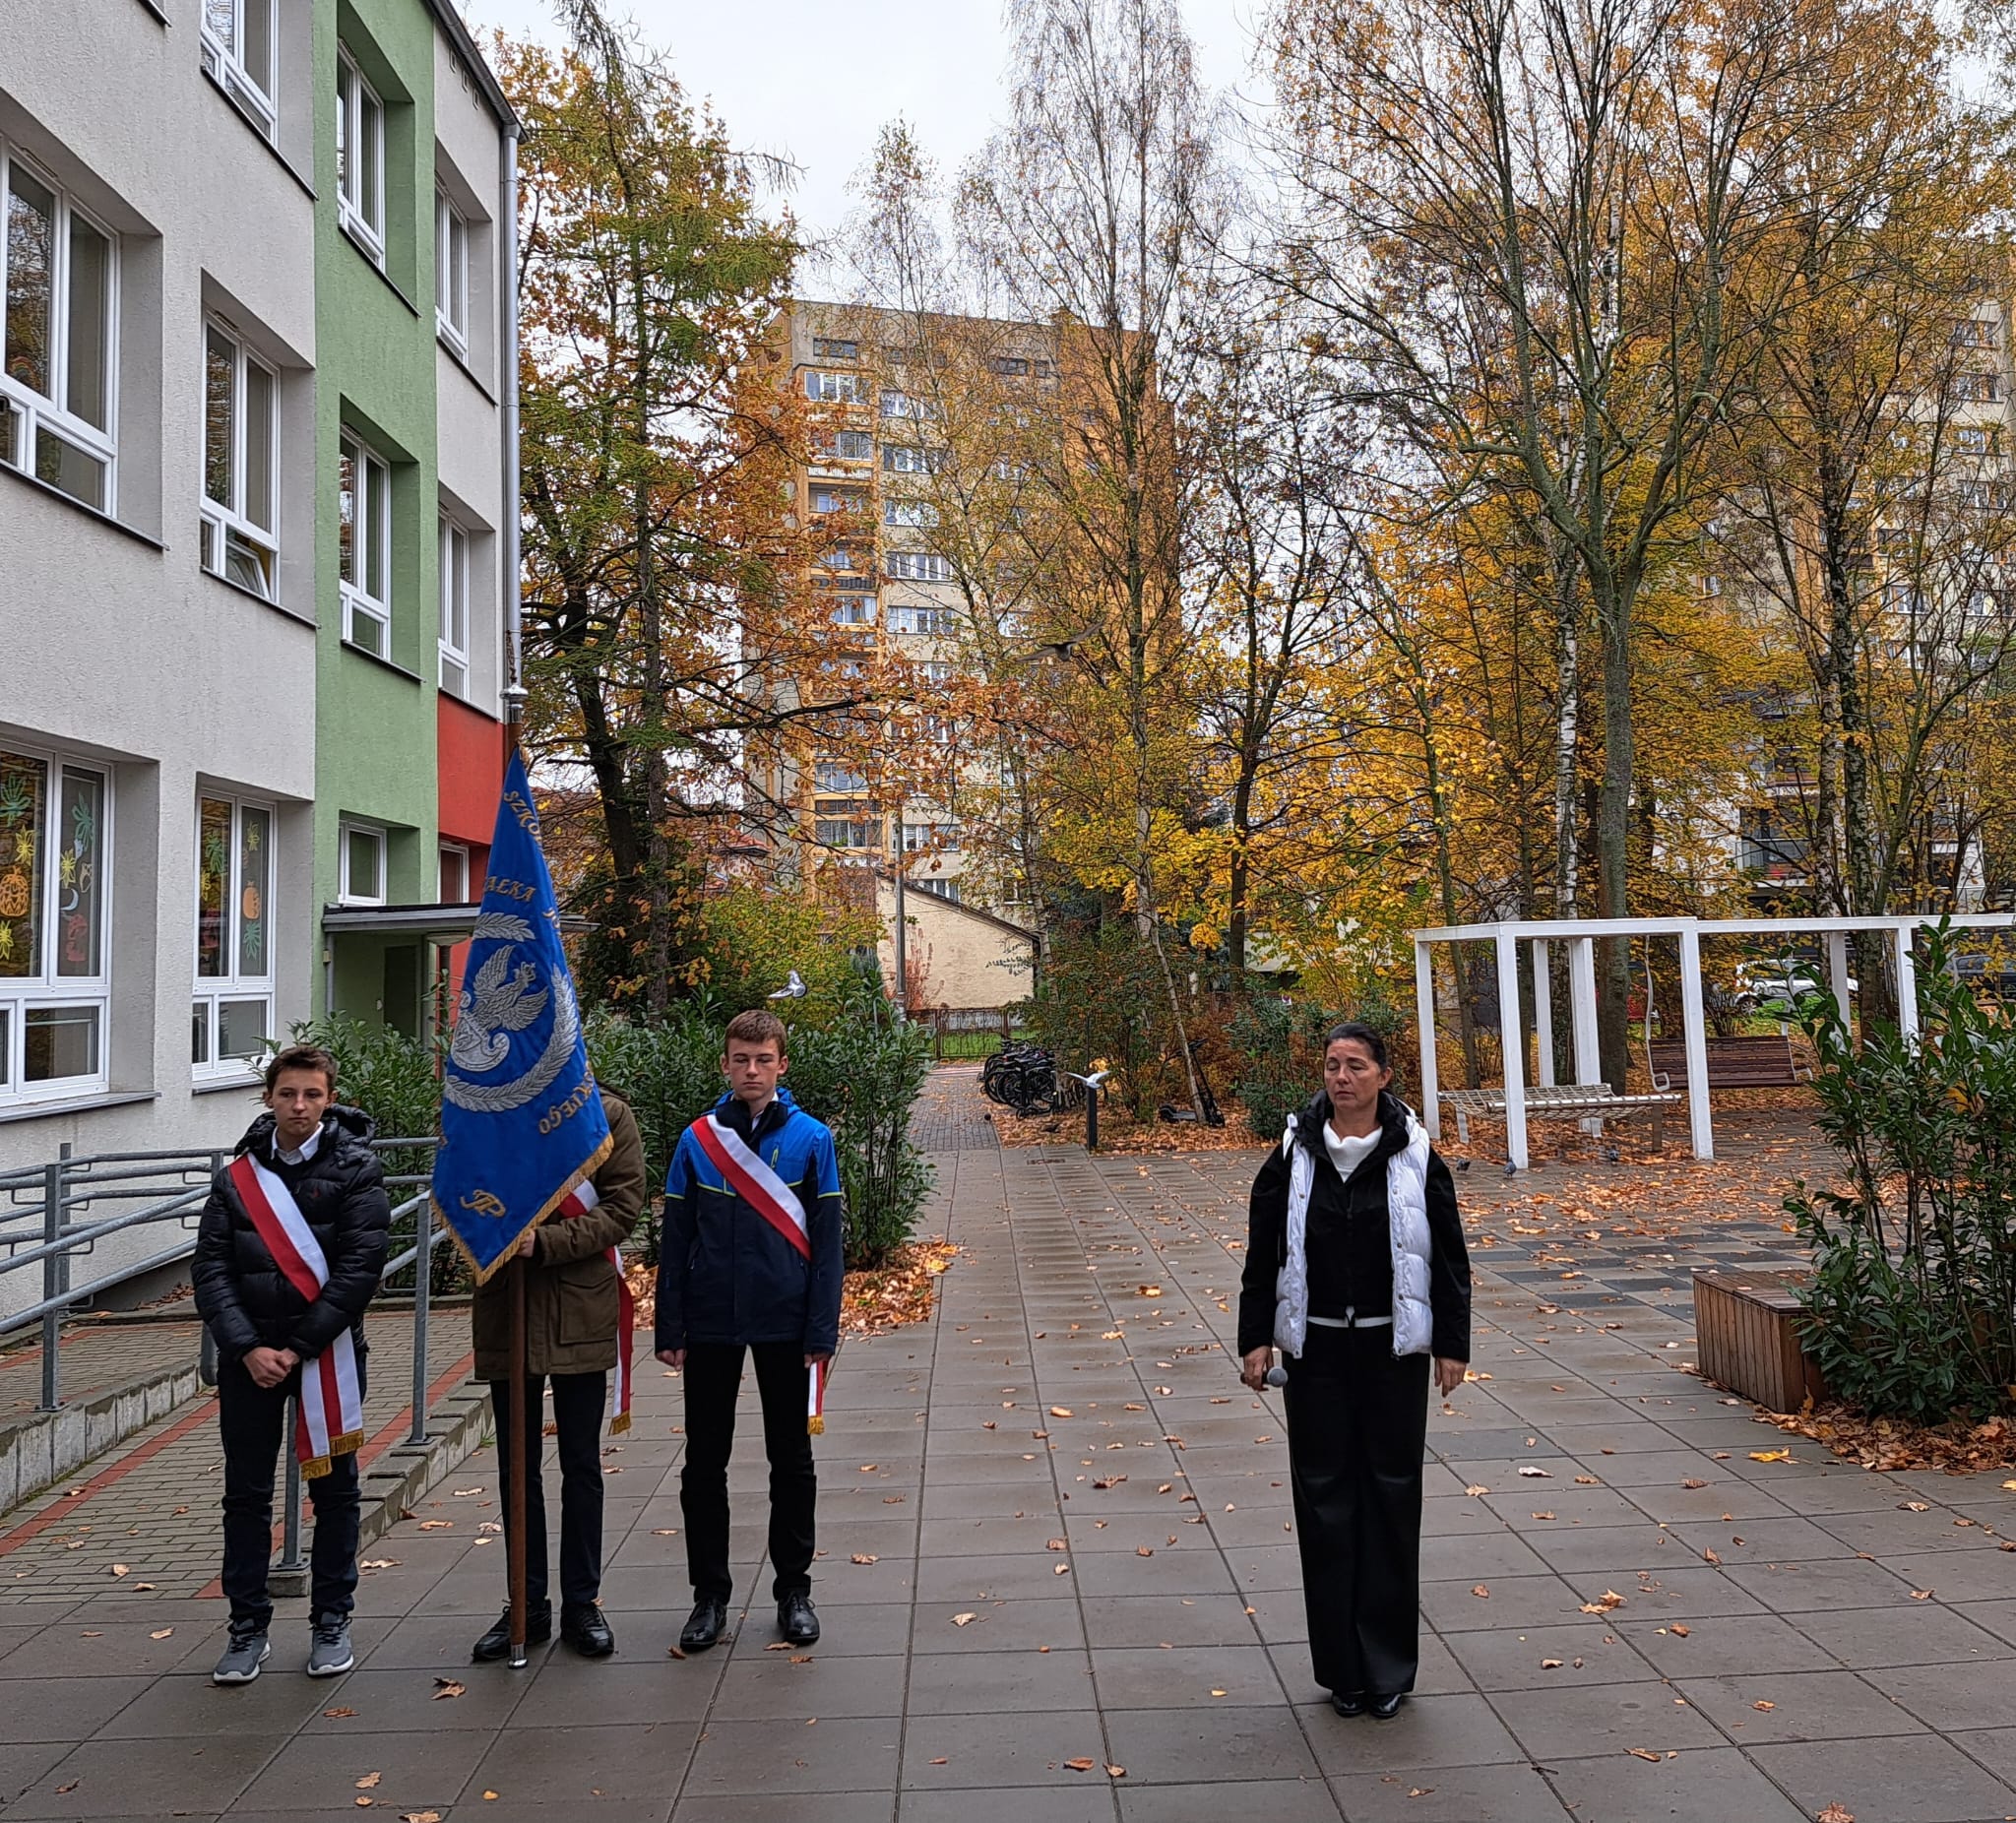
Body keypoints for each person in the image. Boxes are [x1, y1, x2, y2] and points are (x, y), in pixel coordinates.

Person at [1237, 1021, 1471, 1721]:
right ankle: (1343, 1669)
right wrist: (1257, 1337)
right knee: (1326, 1506)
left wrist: (1452, 1344)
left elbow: (1450, 1258)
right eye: (1333, 1065)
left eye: (1356, 1066)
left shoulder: (1417, 1155)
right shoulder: (1293, 1153)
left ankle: (1389, 1668)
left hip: (1391, 1353)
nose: (1342, 1077)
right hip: (1317, 1358)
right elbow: (1264, 1251)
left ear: (1383, 1077)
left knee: (1393, 1502)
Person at [193, 1044, 391, 1686]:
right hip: (249, 1361)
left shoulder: (358, 1169)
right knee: (245, 1497)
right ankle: (246, 1628)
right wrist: (248, 1347)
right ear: (269, 1099)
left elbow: (362, 1269)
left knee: (334, 1493)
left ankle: (331, 1620)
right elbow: (211, 1269)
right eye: (287, 1094)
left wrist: (298, 1347)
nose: (299, 1106)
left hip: (324, 1356)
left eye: (311, 1094)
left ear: (329, 1099)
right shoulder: (237, 1178)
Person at [656, 1008, 845, 1654]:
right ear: (725, 1065)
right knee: (704, 1465)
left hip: (787, 1325)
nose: (753, 1070)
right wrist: (669, 1324)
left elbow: (828, 1247)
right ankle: (709, 1598)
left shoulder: (813, 1140)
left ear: (783, 1064)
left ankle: (795, 1591)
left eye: (764, 1059)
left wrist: (822, 1329)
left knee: (790, 1460)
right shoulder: (697, 1141)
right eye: (741, 1059)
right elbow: (675, 1240)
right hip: (709, 1323)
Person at [469, 1088, 648, 1662]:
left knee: (581, 1465)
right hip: (507, 1311)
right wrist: (500, 1232)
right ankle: (526, 1603)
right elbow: (460, 1196)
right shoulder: (487, 1111)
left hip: (578, 1309)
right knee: (515, 1470)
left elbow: (621, 1208)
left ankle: (581, 1602)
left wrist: (540, 1242)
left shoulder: (608, 1115)